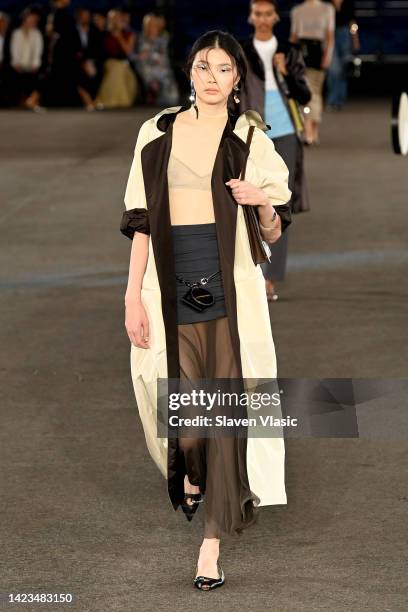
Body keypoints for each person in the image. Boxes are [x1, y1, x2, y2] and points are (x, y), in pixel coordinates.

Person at [120, 30, 291, 590]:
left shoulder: (250, 135)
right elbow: (141, 220)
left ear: (237, 77)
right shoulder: (158, 131)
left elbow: (272, 230)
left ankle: (210, 546)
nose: (212, 77)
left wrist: (261, 201)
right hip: (165, 290)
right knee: (185, 423)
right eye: (202, 66)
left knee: (223, 421)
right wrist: (130, 295)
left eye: (223, 68)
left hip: (230, 290)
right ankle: (190, 474)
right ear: (189, 73)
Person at [240, 0, 311, 301]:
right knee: (245, 202)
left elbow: (304, 93)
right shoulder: (240, 50)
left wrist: (285, 72)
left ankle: (271, 277)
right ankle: (248, 271)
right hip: (250, 133)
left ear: (276, 17)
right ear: (251, 16)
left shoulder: (290, 51)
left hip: (284, 133)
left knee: (279, 204)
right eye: (258, 13)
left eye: (268, 14)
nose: (263, 19)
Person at [290, 0, 335, 144]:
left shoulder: (327, 9)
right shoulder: (297, 10)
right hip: (302, 52)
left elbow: (329, 36)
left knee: (314, 91)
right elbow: (294, 36)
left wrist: (328, 55)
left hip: (317, 52)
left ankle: (311, 129)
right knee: (308, 91)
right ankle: (310, 130)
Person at [134, 13, 179, 106]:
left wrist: (153, 55)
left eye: (154, 24)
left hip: (161, 65)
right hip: (145, 64)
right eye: (150, 25)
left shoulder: (163, 38)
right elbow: (137, 55)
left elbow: (163, 54)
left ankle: (159, 94)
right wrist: (141, 56)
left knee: (170, 95)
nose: (152, 27)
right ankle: (152, 87)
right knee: (146, 69)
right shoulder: (141, 38)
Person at [96, 9, 137, 109]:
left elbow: (128, 51)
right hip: (109, 62)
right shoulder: (103, 34)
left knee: (127, 76)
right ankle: (109, 101)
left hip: (125, 63)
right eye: (112, 18)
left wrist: (119, 37)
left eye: (117, 18)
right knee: (116, 69)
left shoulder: (129, 34)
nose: (115, 21)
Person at [327, 0, 360, 110]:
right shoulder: (326, 3)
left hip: (345, 34)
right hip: (329, 35)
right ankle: (333, 100)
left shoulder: (348, 3)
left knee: (344, 67)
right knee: (333, 69)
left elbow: (352, 23)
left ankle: (340, 100)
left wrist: (355, 39)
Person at [10, 8, 44, 108]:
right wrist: (16, 63)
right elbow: (14, 50)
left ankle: (32, 100)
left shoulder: (36, 33)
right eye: (31, 19)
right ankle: (21, 101)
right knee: (15, 76)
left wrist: (35, 64)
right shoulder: (16, 33)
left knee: (37, 77)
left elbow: (38, 50)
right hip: (19, 65)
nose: (33, 21)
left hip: (32, 66)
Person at [74, 7, 104, 111]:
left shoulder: (94, 31)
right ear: (78, 17)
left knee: (98, 69)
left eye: (87, 16)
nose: (85, 19)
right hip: (76, 62)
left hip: (91, 61)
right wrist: (83, 62)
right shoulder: (71, 30)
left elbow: (98, 50)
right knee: (79, 72)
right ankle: (87, 99)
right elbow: (70, 50)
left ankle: (94, 98)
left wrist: (89, 62)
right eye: (82, 16)